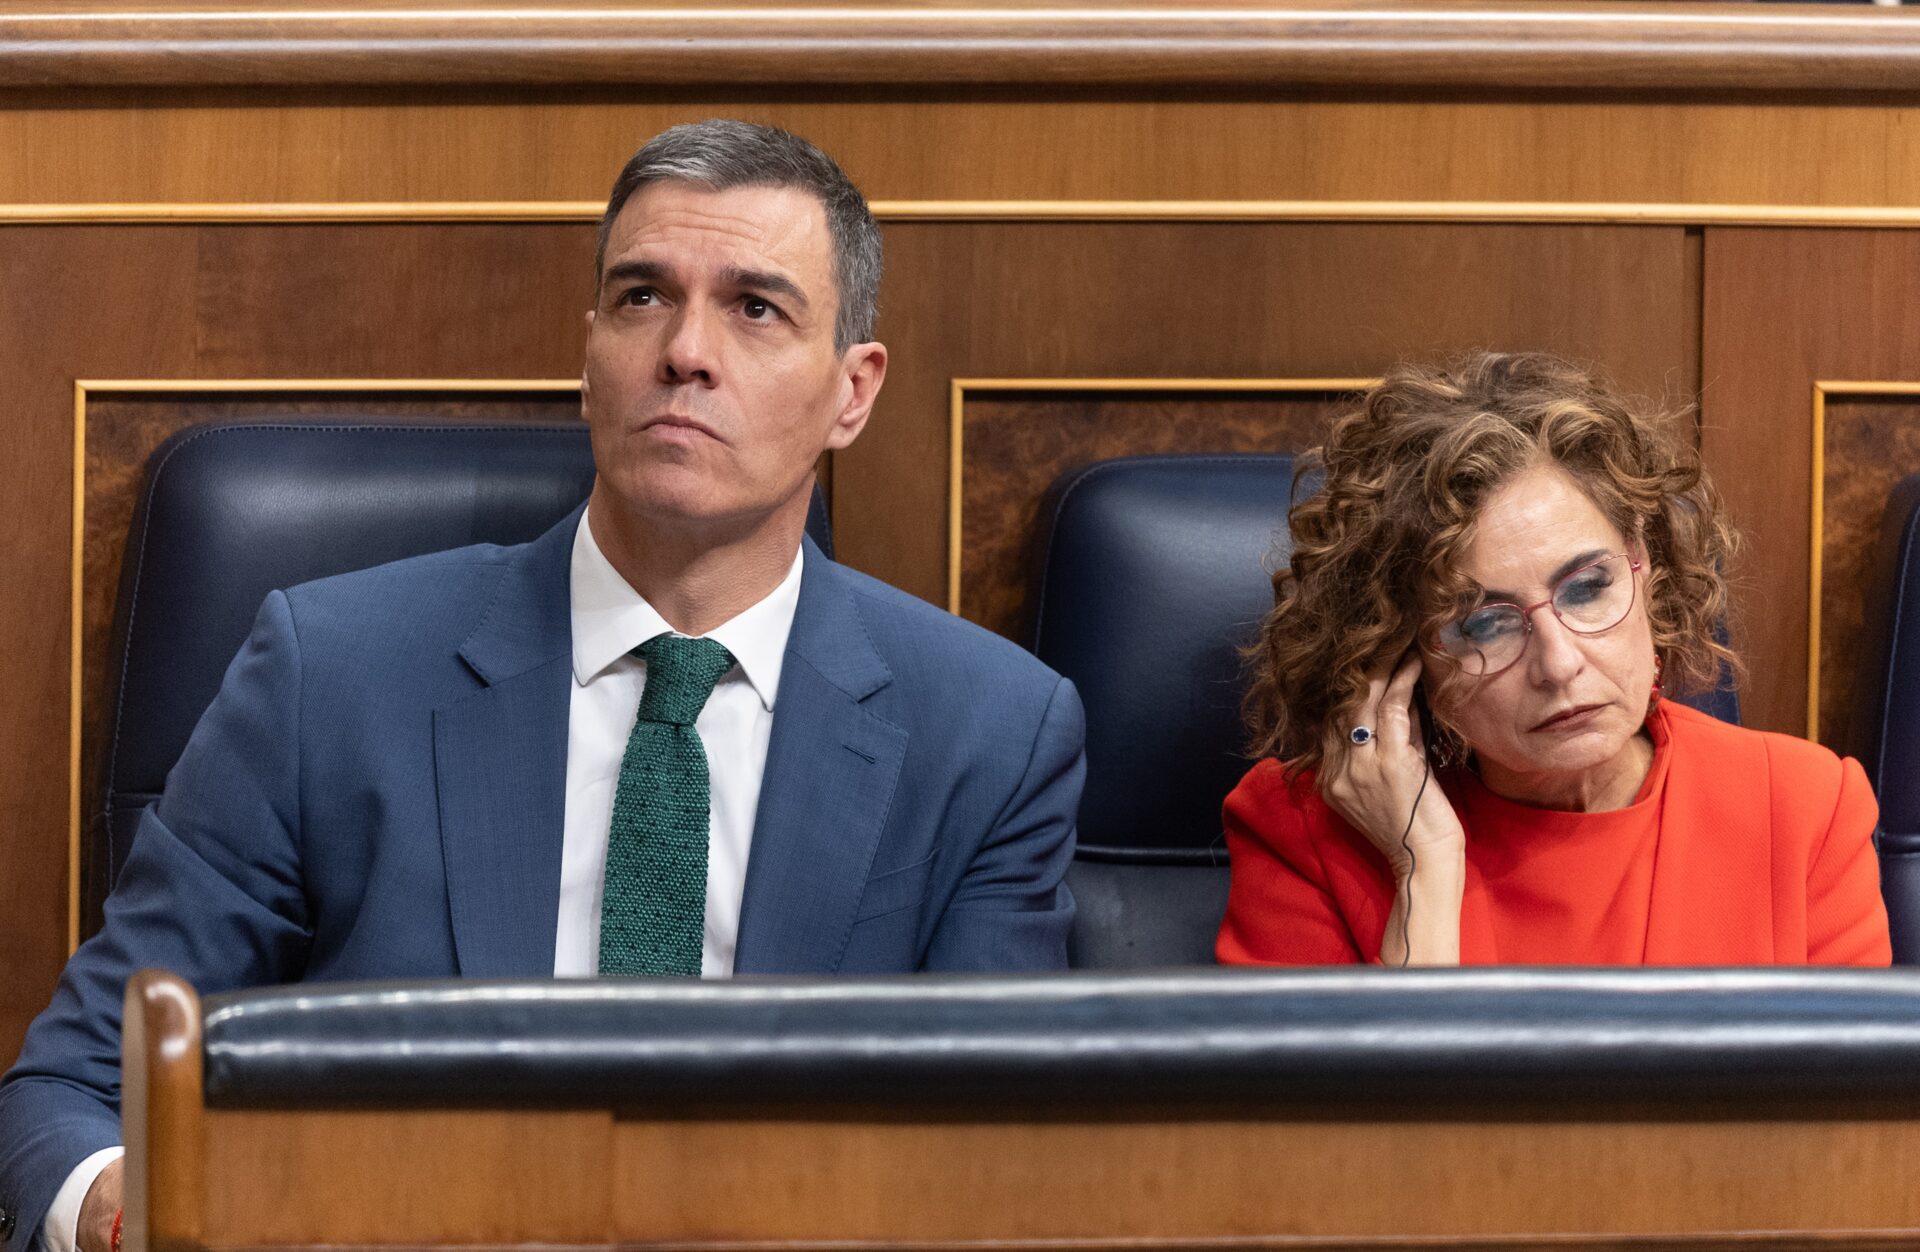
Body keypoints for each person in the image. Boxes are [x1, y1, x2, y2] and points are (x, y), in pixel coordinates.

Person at [0, 120, 1085, 1252]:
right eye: (641, 297)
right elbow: (75, 1087)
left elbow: (998, 1170)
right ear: (590, 354)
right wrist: (125, 1209)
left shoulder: (991, 735)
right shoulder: (330, 673)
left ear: (852, 392)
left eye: (757, 308)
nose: (685, 351)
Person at [1216, 351, 1890, 969]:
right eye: (1485, 624)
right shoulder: (1301, 834)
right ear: (1398, 652)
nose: (1560, 664)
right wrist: (1423, 868)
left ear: (1645, 567)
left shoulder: (1804, 809)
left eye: (1588, 588)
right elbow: (1365, 1074)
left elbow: (1849, 1070)